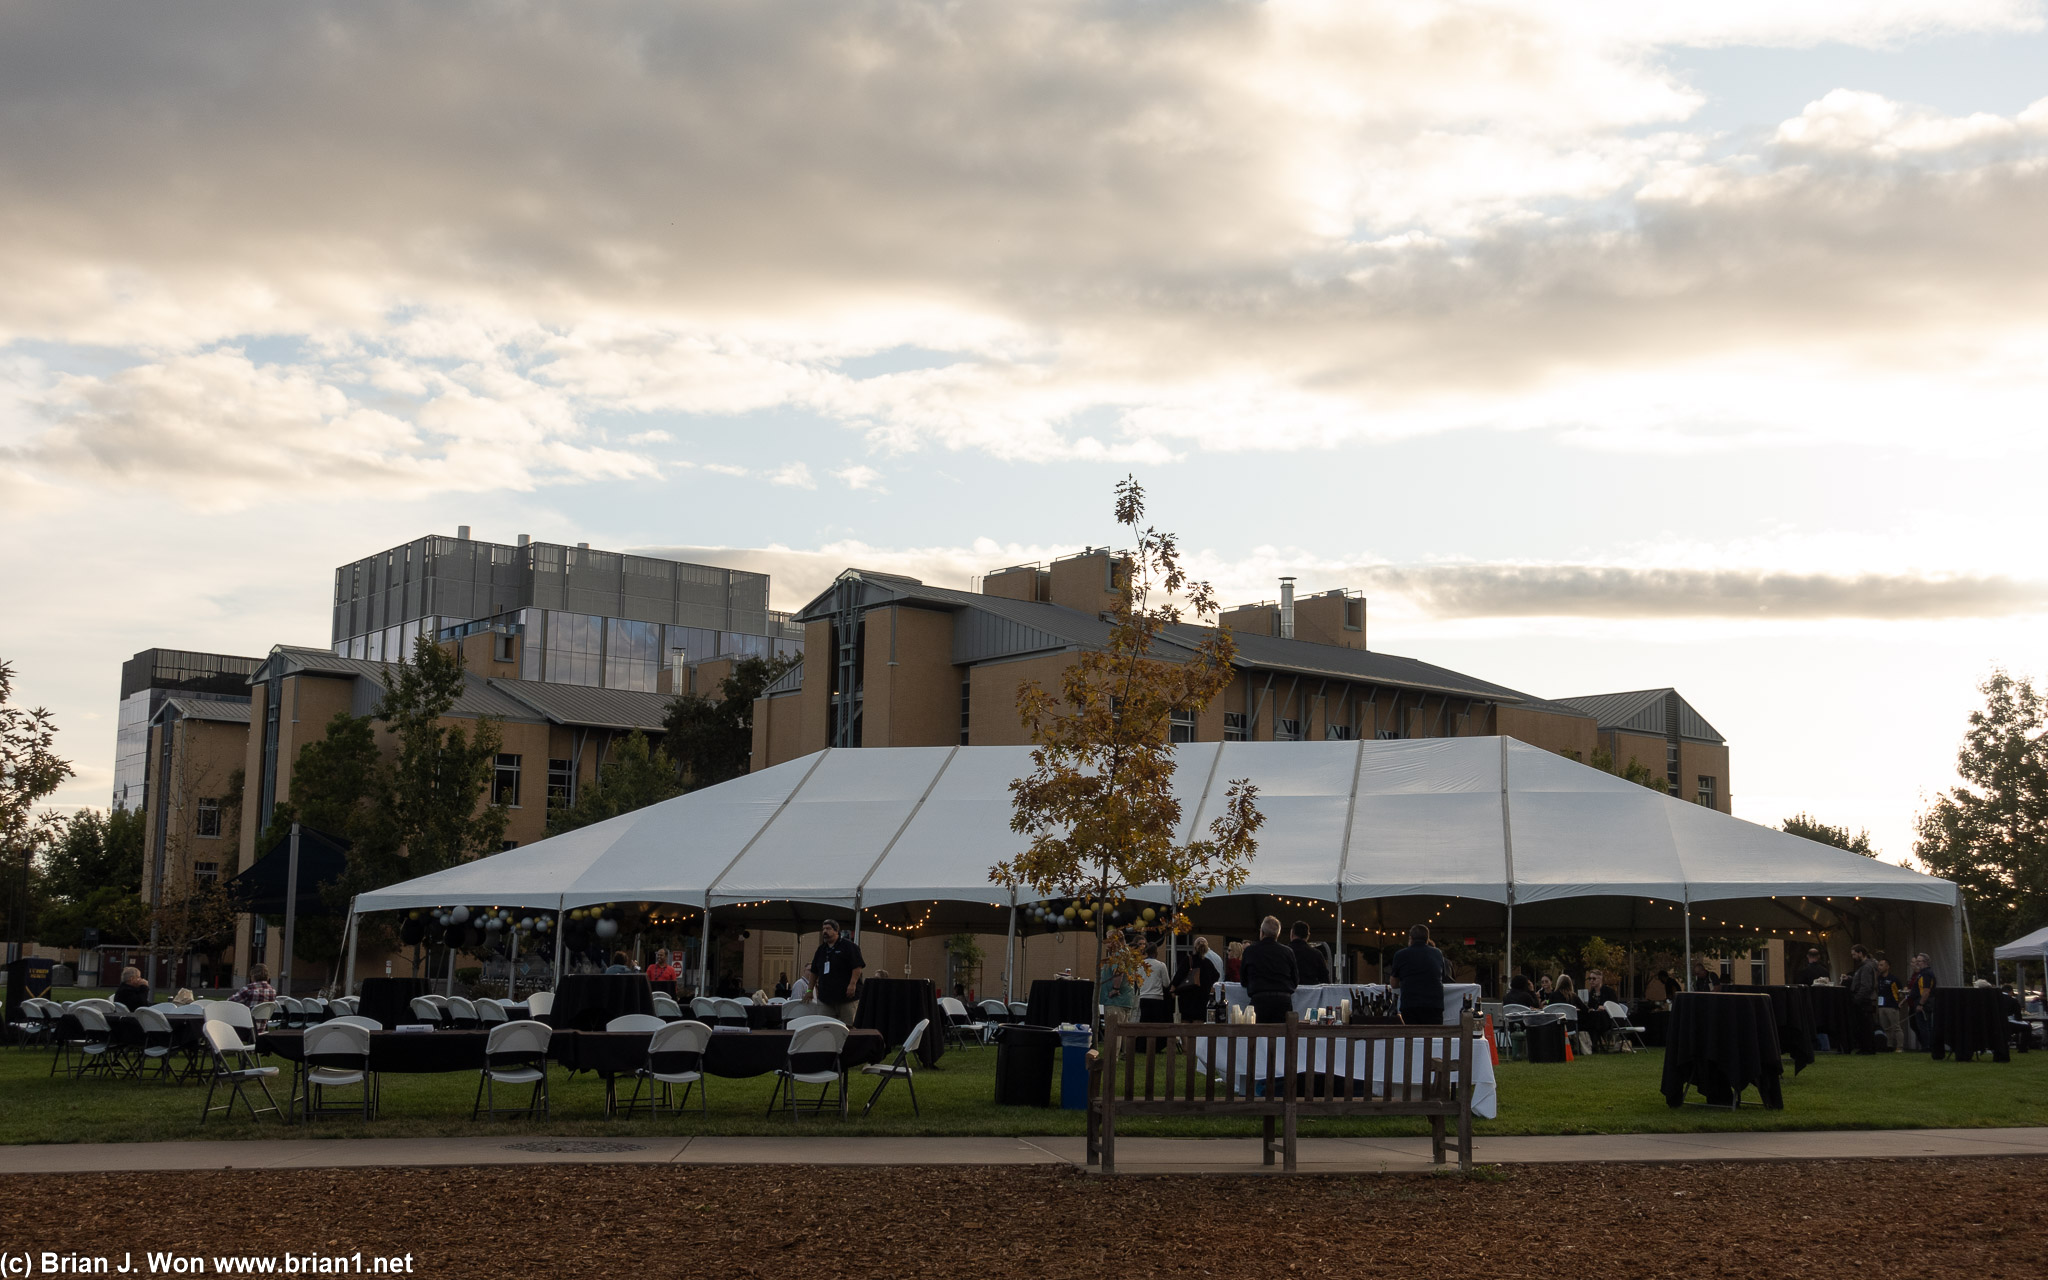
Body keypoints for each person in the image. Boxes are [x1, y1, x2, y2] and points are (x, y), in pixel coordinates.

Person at [1388, 924, 1451, 1026]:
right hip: (1434, 1004)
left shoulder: (1400, 955)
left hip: (1410, 1004)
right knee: (1434, 1039)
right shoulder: (1437, 954)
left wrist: (1407, 981)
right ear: (1427, 939)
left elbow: (1394, 983)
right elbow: (1442, 977)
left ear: (1410, 938)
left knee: (1412, 1039)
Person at [805, 918, 866, 1023]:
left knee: (849, 1027)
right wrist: (809, 990)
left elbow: (857, 967)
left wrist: (852, 985)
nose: (824, 931)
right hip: (826, 998)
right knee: (825, 1026)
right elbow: (814, 972)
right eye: (823, 929)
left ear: (836, 931)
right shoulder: (821, 950)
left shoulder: (849, 946)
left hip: (847, 998)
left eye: (828, 929)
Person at [1239, 916, 1298, 1024]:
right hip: (1283, 1001)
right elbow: (1295, 980)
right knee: (1283, 1036)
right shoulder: (1288, 952)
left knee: (1258, 1036)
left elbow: (1243, 980)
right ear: (1277, 934)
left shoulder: (1250, 951)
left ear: (1262, 932)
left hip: (1260, 999)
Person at [1098, 932, 1141, 1039]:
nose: (1106, 943)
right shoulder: (1127, 952)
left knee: (1113, 1035)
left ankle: (1112, 1056)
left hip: (1115, 1001)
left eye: (1108, 940)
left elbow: (1118, 972)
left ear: (1115, 941)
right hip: (1126, 999)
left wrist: (1115, 989)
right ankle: (1124, 1054)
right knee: (1123, 1033)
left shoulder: (1118, 954)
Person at [1170, 936, 1220, 1022]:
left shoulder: (1189, 959)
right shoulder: (1208, 963)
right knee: (1199, 1020)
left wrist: (1173, 988)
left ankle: (1186, 1036)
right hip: (1203, 996)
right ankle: (1196, 1035)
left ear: (1195, 947)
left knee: (1185, 1020)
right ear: (1206, 948)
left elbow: (1179, 974)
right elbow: (1216, 975)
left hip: (1188, 995)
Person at [1846, 943, 1880, 1054]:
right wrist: (1851, 979)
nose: (1853, 957)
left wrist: (1857, 999)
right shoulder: (1867, 966)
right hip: (1866, 999)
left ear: (1861, 953)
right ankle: (1868, 1047)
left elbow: (1866, 985)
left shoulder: (1866, 967)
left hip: (1864, 1000)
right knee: (1867, 1024)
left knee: (1864, 1025)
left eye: (1854, 954)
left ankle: (1867, 1048)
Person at [1906, 952, 1937, 1050]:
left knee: (1924, 1025)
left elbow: (1926, 991)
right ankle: (1927, 1045)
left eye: (1919, 961)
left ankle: (1927, 1046)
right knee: (1921, 1025)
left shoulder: (1927, 974)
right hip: (1919, 1001)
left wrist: (1921, 1004)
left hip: (1924, 1003)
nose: (1917, 963)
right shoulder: (1921, 973)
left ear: (1925, 962)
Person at [1874, 957, 1906, 1052]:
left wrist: (1900, 1002)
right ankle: (1889, 1045)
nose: (1879, 967)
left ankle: (1900, 1046)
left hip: (1891, 1006)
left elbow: (1901, 992)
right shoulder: (1878, 979)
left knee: (1896, 1027)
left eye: (1881, 965)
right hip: (1881, 1006)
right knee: (1885, 1027)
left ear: (1887, 967)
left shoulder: (1893, 979)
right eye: (1878, 965)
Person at [1136, 945, 1172, 1026]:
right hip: (1157, 997)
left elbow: (1138, 983)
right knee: (1156, 1024)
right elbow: (1166, 983)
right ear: (1156, 953)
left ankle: (1145, 1038)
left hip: (1144, 997)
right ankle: (1153, 1038)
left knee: (1145, 1023)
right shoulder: (1161, 965)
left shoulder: (1139, 965)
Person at [1288, 921, 1330, 986]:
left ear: (1292, 933)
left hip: (1290, 992)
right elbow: (1325, 980)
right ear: (1308, 936)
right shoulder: (1317, 954)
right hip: (1312, 994)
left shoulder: (1284, 953)